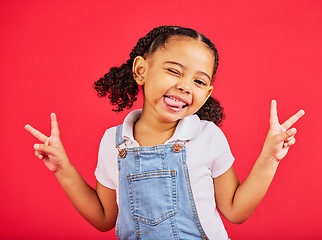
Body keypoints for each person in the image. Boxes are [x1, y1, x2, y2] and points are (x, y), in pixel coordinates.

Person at [25, 26, 305, 240]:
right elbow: (104, 217)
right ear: (141, 70)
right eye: (174, 71)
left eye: (198, 81)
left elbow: (235, 209)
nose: (185, 86)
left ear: (206, 94)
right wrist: (63, 169)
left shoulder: (208, 137)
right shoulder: (113, 142)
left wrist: (270, 158)